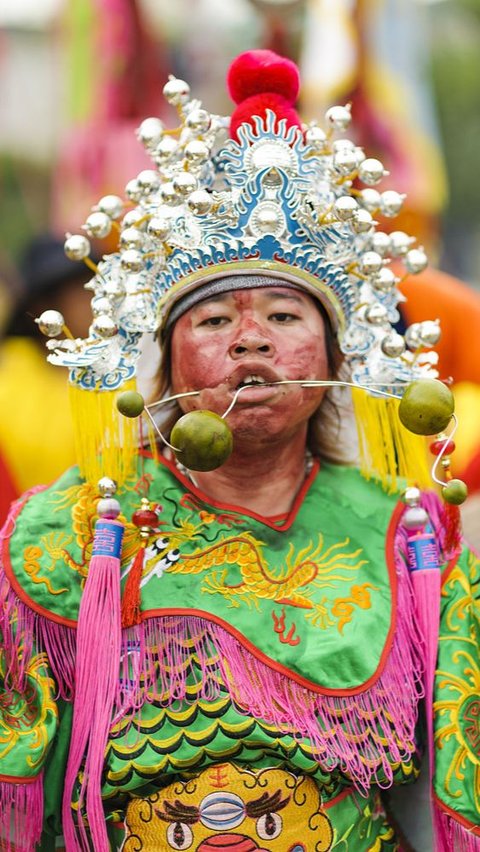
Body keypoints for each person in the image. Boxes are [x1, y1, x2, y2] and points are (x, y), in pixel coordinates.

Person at [0, 50, 478, 852]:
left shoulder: (411, 537)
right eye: (214, 322)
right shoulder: (63, 538)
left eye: (286, 319)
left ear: (335, 363)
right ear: (164, 362)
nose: (250, 339)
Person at [0, 234, 94, 522]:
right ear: (46, 305)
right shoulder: (9, 370)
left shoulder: (123, 372)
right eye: (82, 292)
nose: (93, 301)